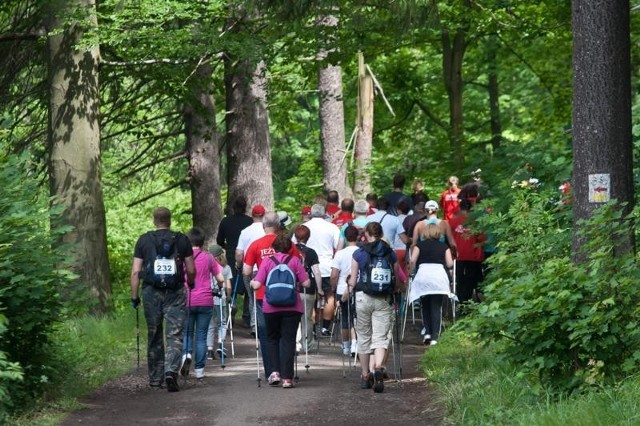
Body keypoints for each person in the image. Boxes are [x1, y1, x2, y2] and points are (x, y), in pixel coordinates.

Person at [130, 207, 195, 392]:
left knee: (154, 334)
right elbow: (190, 269)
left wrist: (134, 297)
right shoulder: (182, 240)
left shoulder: (144, 240)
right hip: (175, 292)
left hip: (151, 292)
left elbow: (135, 271)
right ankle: (171, 371)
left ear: (154, 220)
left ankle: (155, 379)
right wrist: (191, 283)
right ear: (170, 220)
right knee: (174, 334)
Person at [346, 222, 402, 393]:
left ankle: (365, 375)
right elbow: (397, 279)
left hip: (363, 298)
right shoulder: (389, 253)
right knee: (380, 337)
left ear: (366, 234)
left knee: (364, 337)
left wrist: (348, 283)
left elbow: (353, 282)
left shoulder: (358, 253)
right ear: (381, 233)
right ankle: (378, 367)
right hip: (383, 299)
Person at [244, 212, 301, 378]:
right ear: (278, 226)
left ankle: (272, 372)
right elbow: (298, 265)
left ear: (263, 226)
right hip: (289, 295)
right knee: (286, 336)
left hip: (264, 296)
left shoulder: (255, 245)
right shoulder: (288, 244)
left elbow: (247, 271)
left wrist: (257, 279)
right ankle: (286, 372)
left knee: (267, 335)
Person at [250, 233, 310, 389]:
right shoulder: (295, 261)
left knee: (272, 339)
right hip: (292, 306)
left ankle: (274, 372)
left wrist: (252, 282)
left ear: (274, 247)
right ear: (290, 248)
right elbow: (306, 283)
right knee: (288, 341)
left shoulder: (267, 262)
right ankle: (287, 378)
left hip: (271, 307)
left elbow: (257, 285)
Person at [180, 228, 225, 379]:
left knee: (187, 332)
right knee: (201, 336)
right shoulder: (209, 258)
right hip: (206, 301)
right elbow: (220, 278)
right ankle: (199, 370)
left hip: (187, 300)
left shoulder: (182, 258)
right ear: (202, 242)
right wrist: (219, 288)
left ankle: (186, 355)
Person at [293, 204, 340, 337]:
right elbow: (338, 246)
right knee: (329, 296)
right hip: (327, 266)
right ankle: (325, 327)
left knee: (310, 297)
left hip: (307, 267)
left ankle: (312, 327)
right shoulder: (332, 227)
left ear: (311, 213)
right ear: (325, 213)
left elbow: (293, 245)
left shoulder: (304, 227)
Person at [408, 223, 454, 346]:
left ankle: (427, 332)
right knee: (436, 307)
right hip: (438, 277)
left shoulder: (419, 245)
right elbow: (449, 264)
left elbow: (413, 261)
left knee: (425, 305)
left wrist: (410, 271)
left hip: (423, 276)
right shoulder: (444, 246)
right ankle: (435, 337)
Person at [216, 196, 253, 331]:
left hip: (231, 253)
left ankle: (230, 312)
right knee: (248, 283)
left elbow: (219, 240)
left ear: (233, 207)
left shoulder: (226, 221)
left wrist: (228, 246)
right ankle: (247, 316)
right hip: (248, 254)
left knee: (230, 283)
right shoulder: (250, 221)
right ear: (245, 207)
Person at [447, 199, 486, 304]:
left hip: (458, 255)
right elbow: (482, 239)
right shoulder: (476, 221)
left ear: (460, 208)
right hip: (473, 255)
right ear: (471, 209)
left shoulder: (453, 221)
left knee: (459, 278)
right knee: (470, 279)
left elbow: (448, 237)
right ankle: (467, 301)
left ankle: (460, 300)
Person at [236, 204, 267, 334]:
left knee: (252, 297)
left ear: (252, 215)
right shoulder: (267, 230)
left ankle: (255, 325)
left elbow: (239, 253)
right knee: (264, 297)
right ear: (264, 215)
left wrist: (239, 264)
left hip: (249, 268)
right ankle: (264, 323)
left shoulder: (245, 231)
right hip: (265, 268)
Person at [293, 224, 322, 352]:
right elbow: (316, 272)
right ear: (308, 237)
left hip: (293, 288)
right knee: (307, 318)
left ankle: (295, 343)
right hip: (308, 289)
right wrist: (320, 289)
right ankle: (307, 344)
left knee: (293, 317)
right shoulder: (311, 252)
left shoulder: (290, 250)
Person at [333, 225, 360, 357]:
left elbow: (334, 274)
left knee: (344, 318)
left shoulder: (340, 253)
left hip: (342, 288)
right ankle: (355, 343)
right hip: (358, 288)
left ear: (345, 237)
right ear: (358, 236)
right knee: (356, 317)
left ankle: (346, 345)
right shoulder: (361, 252)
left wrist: (333, 287)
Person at [206, 244, 233, 360]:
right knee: (222, 322)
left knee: (210, 324)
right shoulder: (226, 267)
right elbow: (228, 285)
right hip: (220, 298)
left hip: (208, 298)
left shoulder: (206, 266)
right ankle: (221, 344)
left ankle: (210, 350)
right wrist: (229, 296)